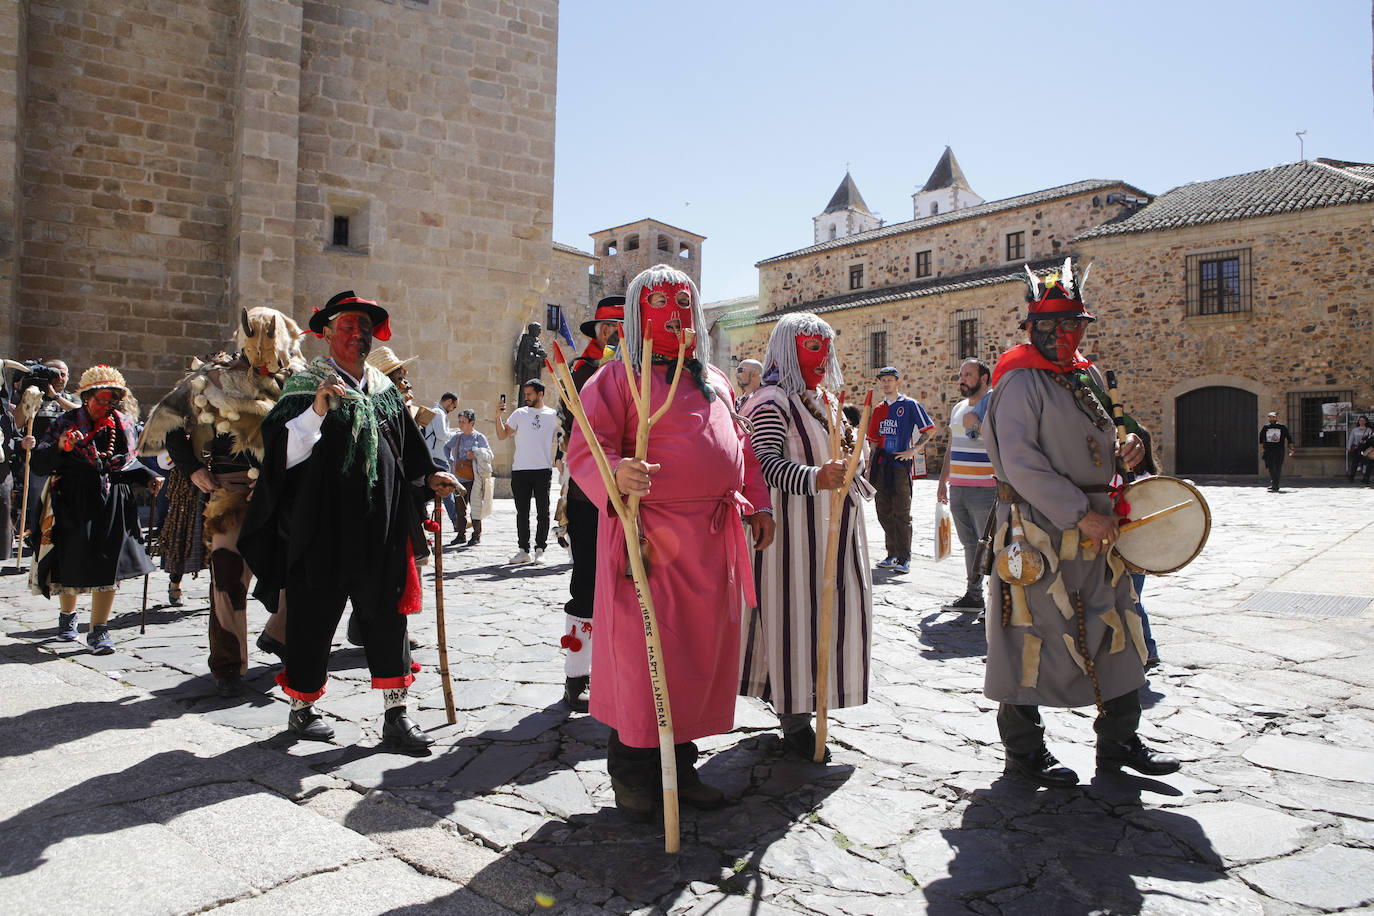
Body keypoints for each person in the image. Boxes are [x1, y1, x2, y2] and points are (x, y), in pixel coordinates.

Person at [566, 263, 774, 816]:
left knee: (693, 658)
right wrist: (618, 473)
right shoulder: (615, 379)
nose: (675, 314)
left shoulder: (716, 381)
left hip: (709, 544)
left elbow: (742, 447)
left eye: (685, 303)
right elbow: (586, 448)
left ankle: (681, 768)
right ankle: (634, 778)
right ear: (638, 315)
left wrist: (759, 504)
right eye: (660, 304)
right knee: (644, 658)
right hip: (647, 543)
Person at [983, 260, 1179, 787]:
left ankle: (1120, 742)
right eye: (1058, 327)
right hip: (1039, 531)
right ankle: (1024, 752)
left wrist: (1130, 451)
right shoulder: (1019, 382)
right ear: (1035, 329)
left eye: (1077, 326)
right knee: (1028, 632)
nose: (1069, 336)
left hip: (1099, 528)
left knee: (1117, 625)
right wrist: (1078, 514)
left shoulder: (1086, 374)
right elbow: (1021, 463)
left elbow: (1105, 438)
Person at [239, 291, 458, 749]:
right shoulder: (305, 385)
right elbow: (280, 456)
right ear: (327, 333)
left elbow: (410, 450)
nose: (358, 335)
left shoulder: (384, 390)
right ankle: (301, 710)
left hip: (379, 527)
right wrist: (318, 410)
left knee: (387, 617)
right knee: (312, 617)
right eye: (348, 327)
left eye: (364, 327)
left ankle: (396, 715)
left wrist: (433, 474)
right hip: (320, 528)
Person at [140, 307, 305, 695]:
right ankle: (228, 666)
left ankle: (278, 636)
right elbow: (171, 422)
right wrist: (191, 468)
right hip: (230, 491)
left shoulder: (299, 381)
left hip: (283, 493)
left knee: (298, 572)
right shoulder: (212, 378)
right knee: (228, 577)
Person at [741, 312, 873, 760]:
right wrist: (818, 476)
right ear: (788, 348)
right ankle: (795, 717)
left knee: (825, 620)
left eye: (825, 345)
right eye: (811, 346)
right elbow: (762, 468)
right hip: (789, 542)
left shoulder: (826, 401)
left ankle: (807, 704)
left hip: (831, 537)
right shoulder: (771, 401)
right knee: (793, 622)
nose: (822, 355)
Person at [28, 365, 162, 655]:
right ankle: (68, 617)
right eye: (101, 399)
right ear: (86, 397)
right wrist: (61, 447)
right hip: (71, 499)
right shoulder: (65, 423)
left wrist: (149, 478)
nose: (106, 405)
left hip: (112, 500)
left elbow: (128, 463)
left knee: (108, 563)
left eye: (112, 400)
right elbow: (38, 462)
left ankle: (99, 631)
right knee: (70, 559)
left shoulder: (123, 425)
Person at [557, 295, 624, 711]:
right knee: (587, 580)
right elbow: (579, 420)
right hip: (589, 490)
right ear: (598, 331)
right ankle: (577, 674)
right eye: (608, 327)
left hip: (632, 491)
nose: (614, 333)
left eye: (621, 326)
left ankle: (619, 669)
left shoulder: (642, 370)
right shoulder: (582, 370)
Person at [937, 358, 996, 613]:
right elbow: (952, 446)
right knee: (970, 544)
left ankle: (997, 604)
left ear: (984, 378)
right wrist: (943, 481)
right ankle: (974, 596)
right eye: (961, 375)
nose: (962, 379)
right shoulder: (958, 408)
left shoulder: (995, 404)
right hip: (959, 487)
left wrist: (979, 426)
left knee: (993, 544)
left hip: (986, 488)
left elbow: (1005, 439)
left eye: (968, 375)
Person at [865, 366, 933, 574]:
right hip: (880, 465)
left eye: (889, 380)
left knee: (902, 512)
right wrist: (868, 469)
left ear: (897, 382)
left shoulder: (910, 405)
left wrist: (913, 450)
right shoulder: (878, 409)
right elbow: (873, 441)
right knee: (883, 511)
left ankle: (904, 557)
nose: (886, 383)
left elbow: (929, 430)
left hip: (899, 467)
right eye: (882, 380)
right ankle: (891, 553)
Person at [16, 359, 79, 552]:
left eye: (64, 374)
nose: (60, 378)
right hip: (39, 461)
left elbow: (80, 413)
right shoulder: (34, 395)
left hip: (65, 461)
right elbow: (17, 422)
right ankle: (37, 541)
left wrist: (56, 396)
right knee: (37, 504)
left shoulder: (69, 398)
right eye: (55, 373)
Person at [495, 378, 558, 564]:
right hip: (520, 470)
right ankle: (523, 550)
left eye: (529, 394)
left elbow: (564, 438)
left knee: (543, 512)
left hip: (542, 470)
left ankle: (540, 549)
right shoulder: (519, 413)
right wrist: (498, 416)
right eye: (525, 394)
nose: (526, 397)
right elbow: (502, 435)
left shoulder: (553, 415)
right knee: (522, 512)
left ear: (540, 394)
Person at [444, 409, 492, 546]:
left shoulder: (479, 437)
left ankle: (476, 535)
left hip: (474, 478)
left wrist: (476, 454)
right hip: (459, 479)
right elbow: (446, 447)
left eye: (463, 422)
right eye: (459, 421)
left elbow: (489, 455)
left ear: (472, 423)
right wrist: (450, 459)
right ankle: (461, 534)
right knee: (460, 508)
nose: (460, 425)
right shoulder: (457, 437)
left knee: (475, 508)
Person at [1259, 410, 1294, 492]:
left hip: (1279, 450)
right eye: (1270, 417)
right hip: (1269, 450)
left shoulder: (1282, 427)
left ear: (1276, 418)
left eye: (1273, 417)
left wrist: (1291, 448)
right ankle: (1273, 482)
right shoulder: (1266, 427)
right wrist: (1262, 448)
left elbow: (1289, 438)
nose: (1272, 418)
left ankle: (1276, 484)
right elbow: (1261, 438)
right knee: (1270, 467)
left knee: (1277, 467)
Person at [1347, 415, 1372, 484]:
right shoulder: (1354, 430)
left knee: (1368, 464)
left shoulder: (1369, 430)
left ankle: (1366, 478)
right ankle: (1351, 477)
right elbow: (1351, 438)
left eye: (1363, 420)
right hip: (1356, 448)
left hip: (1365, 449)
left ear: (1366, 421)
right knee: (1354, 463)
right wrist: (1349, 447)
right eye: (1360, 420)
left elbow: (1370, 439)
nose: (1361, 422)